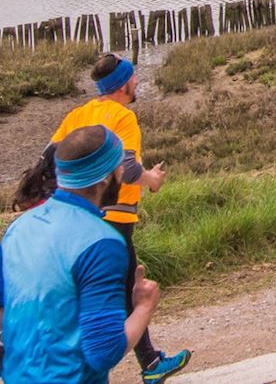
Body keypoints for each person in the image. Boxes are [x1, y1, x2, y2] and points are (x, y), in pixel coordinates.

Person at [48, 54, 190, 384]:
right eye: (133, 78)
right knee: (128, 290)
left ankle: (150, 360)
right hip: (114, 217)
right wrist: (153, 180)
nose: (137, 82)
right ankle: (145, 365)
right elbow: (127, 171)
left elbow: (48, 159)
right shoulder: (123, 117)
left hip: (76, 215)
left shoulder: (78, 115)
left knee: (114, 288)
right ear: (123, 85)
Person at [1, 125, 161, 384]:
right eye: (119, 166)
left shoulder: (18, 228)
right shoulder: (102, 242)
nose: (123, 172)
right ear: (104, 179)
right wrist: (143, 307)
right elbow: (103, 353)